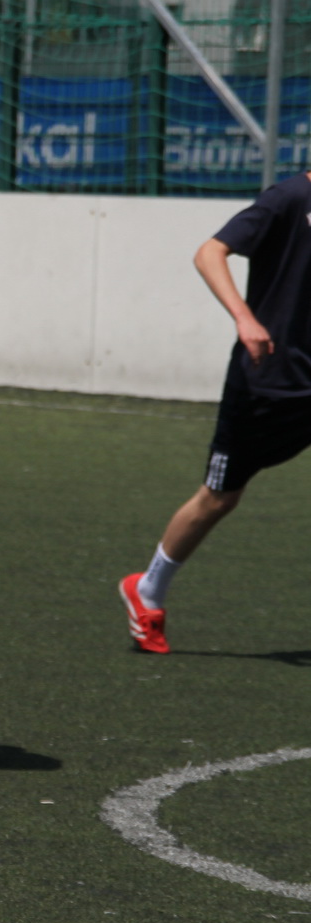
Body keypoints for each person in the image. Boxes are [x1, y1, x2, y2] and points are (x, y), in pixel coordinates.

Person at [119, 169, 311, 653]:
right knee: (220, 498)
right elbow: (210, 252)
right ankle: (147, 590)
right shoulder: (290, 198)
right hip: (267, 384)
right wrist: (245, 319)